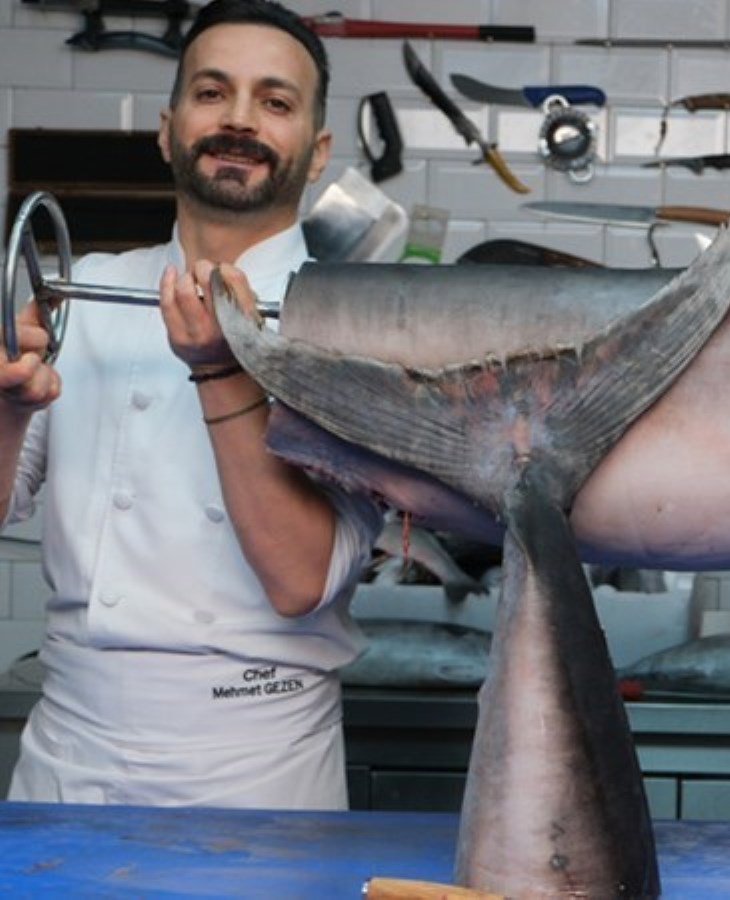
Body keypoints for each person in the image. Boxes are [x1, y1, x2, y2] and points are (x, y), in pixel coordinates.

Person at [0, 0, 382, 809]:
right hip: (71, 757)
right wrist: (6, 407)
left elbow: (298, 580)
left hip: (261, 767)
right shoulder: (81, 294)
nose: (239, 119)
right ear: (167, 129)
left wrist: (219, 370)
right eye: (212, 93)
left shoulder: (360, 324)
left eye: (274, 102)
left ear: (315, 153)